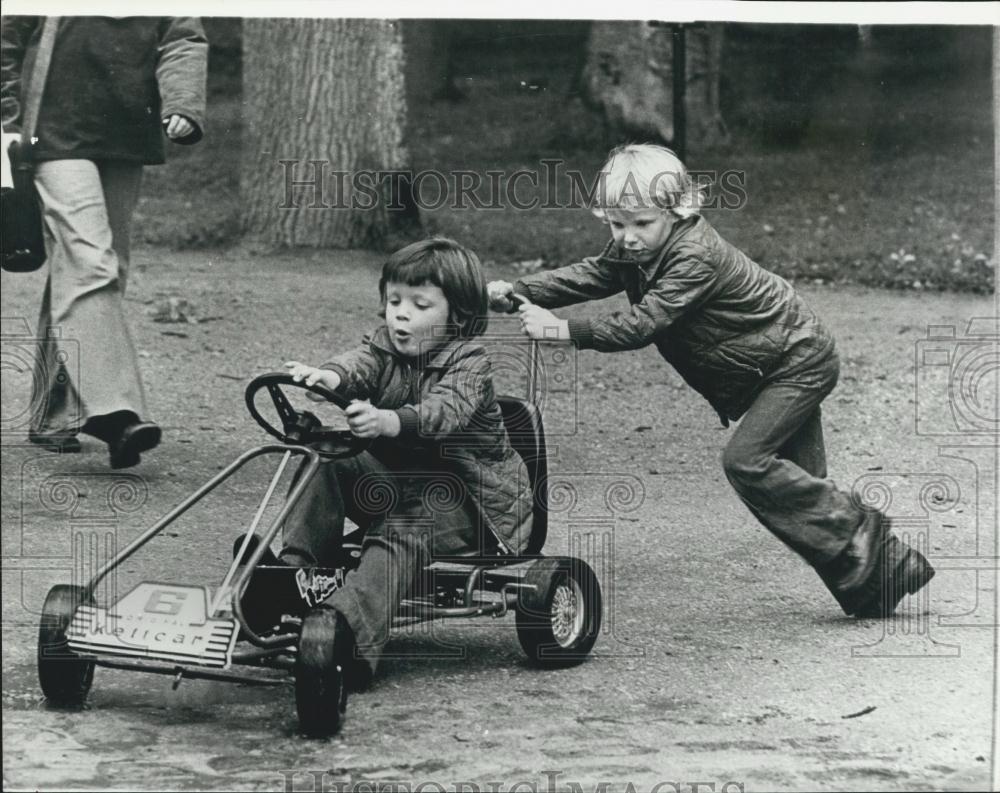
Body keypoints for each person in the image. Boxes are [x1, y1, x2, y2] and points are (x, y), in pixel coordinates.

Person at [487, 143, 934, 619]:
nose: (628, 238)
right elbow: (597, 273)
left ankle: (874, 542)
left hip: (795, 361)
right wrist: (522, 290)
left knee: (747, 462)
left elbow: (643, 324)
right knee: (802, 491)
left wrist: (563, 330)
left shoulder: (694, 255)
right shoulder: (639, 249)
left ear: (678, 211)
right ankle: (878, 584)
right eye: (617, 225)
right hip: (769, 367)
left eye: (641, 224)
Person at [251, 238, 533, 699]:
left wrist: (385, 421)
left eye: (420, 305)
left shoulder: (470, 363)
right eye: (394, 300)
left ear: (457, 316)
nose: (400, 314)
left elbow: (444, 413)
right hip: (399, 484)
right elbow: (358, 365)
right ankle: (294, 574)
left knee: (408, 525)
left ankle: (350, 632)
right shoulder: (385, 348)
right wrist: (328, 378)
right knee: (325, 456)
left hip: (473, 504)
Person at [0, 16, 208, 468]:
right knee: (90, 261)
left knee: (96, 268)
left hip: (125, 132)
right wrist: (6, 121)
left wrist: (183, 104)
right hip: (51, 133)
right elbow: (6, 36)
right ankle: (115, 413)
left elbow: (182, 35)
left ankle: (55, 413)